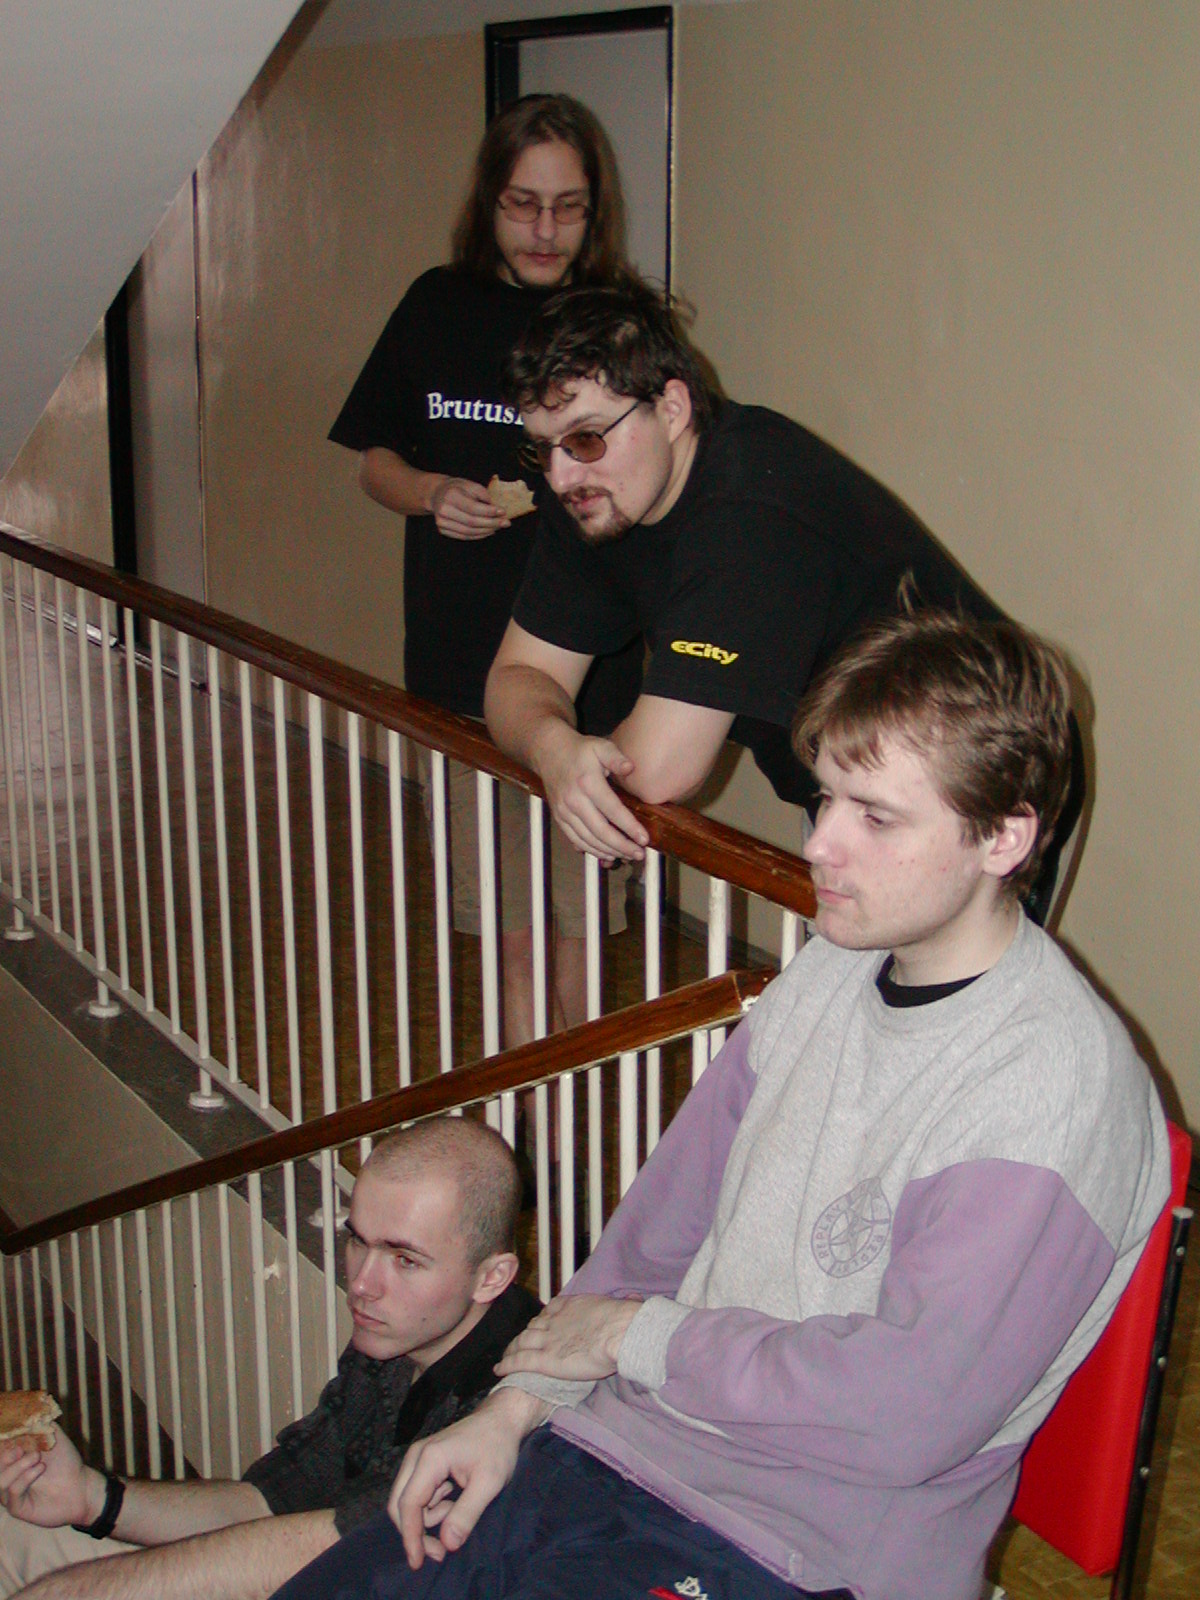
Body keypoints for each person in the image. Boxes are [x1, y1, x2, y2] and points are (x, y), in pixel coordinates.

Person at [272, 609, 1169, 1600]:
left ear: (1004, 837)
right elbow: (657, 1233)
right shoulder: (833, 969)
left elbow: (902, 1418)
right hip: (621, 1448)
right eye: (825, 798)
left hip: (804, 1545)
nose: (820, 844)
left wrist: (633, 1338)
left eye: (875, 817)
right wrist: (515, 1405)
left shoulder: (1051, 1091)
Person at [483, 280, 1083, 922]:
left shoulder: (750, 507)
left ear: (673, 408)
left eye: (586, 438)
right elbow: (517, 676)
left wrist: (576, 765)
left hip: (986, 782)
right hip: (852, 781)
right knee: (854, 972)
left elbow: (659, 768)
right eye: (543, 447)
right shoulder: (594, 495)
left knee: (956, 986)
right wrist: (553, 748)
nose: (561, 476)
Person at [329, 94, 641, 1049]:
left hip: (591, 681)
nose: (545, 230)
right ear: (488, 202)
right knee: (512, 936)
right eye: (523, 204)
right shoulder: (436, 303)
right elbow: (373, 462)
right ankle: (536, 1124)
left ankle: (582, 1126)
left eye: (569, 207)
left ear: (595, 212)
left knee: (583, 936)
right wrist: (429, 492)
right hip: (463, 673)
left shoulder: (621, 323)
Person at [0, 1119, 538, 1600]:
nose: (362, 1285)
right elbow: (271, 1500)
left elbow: (337, 1553)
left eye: (404, 1259)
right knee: (15, 1531)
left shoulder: (511, 1409)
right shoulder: (396, 1340)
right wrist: (92, 1498)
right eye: (358, 1241)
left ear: (492, 1277)